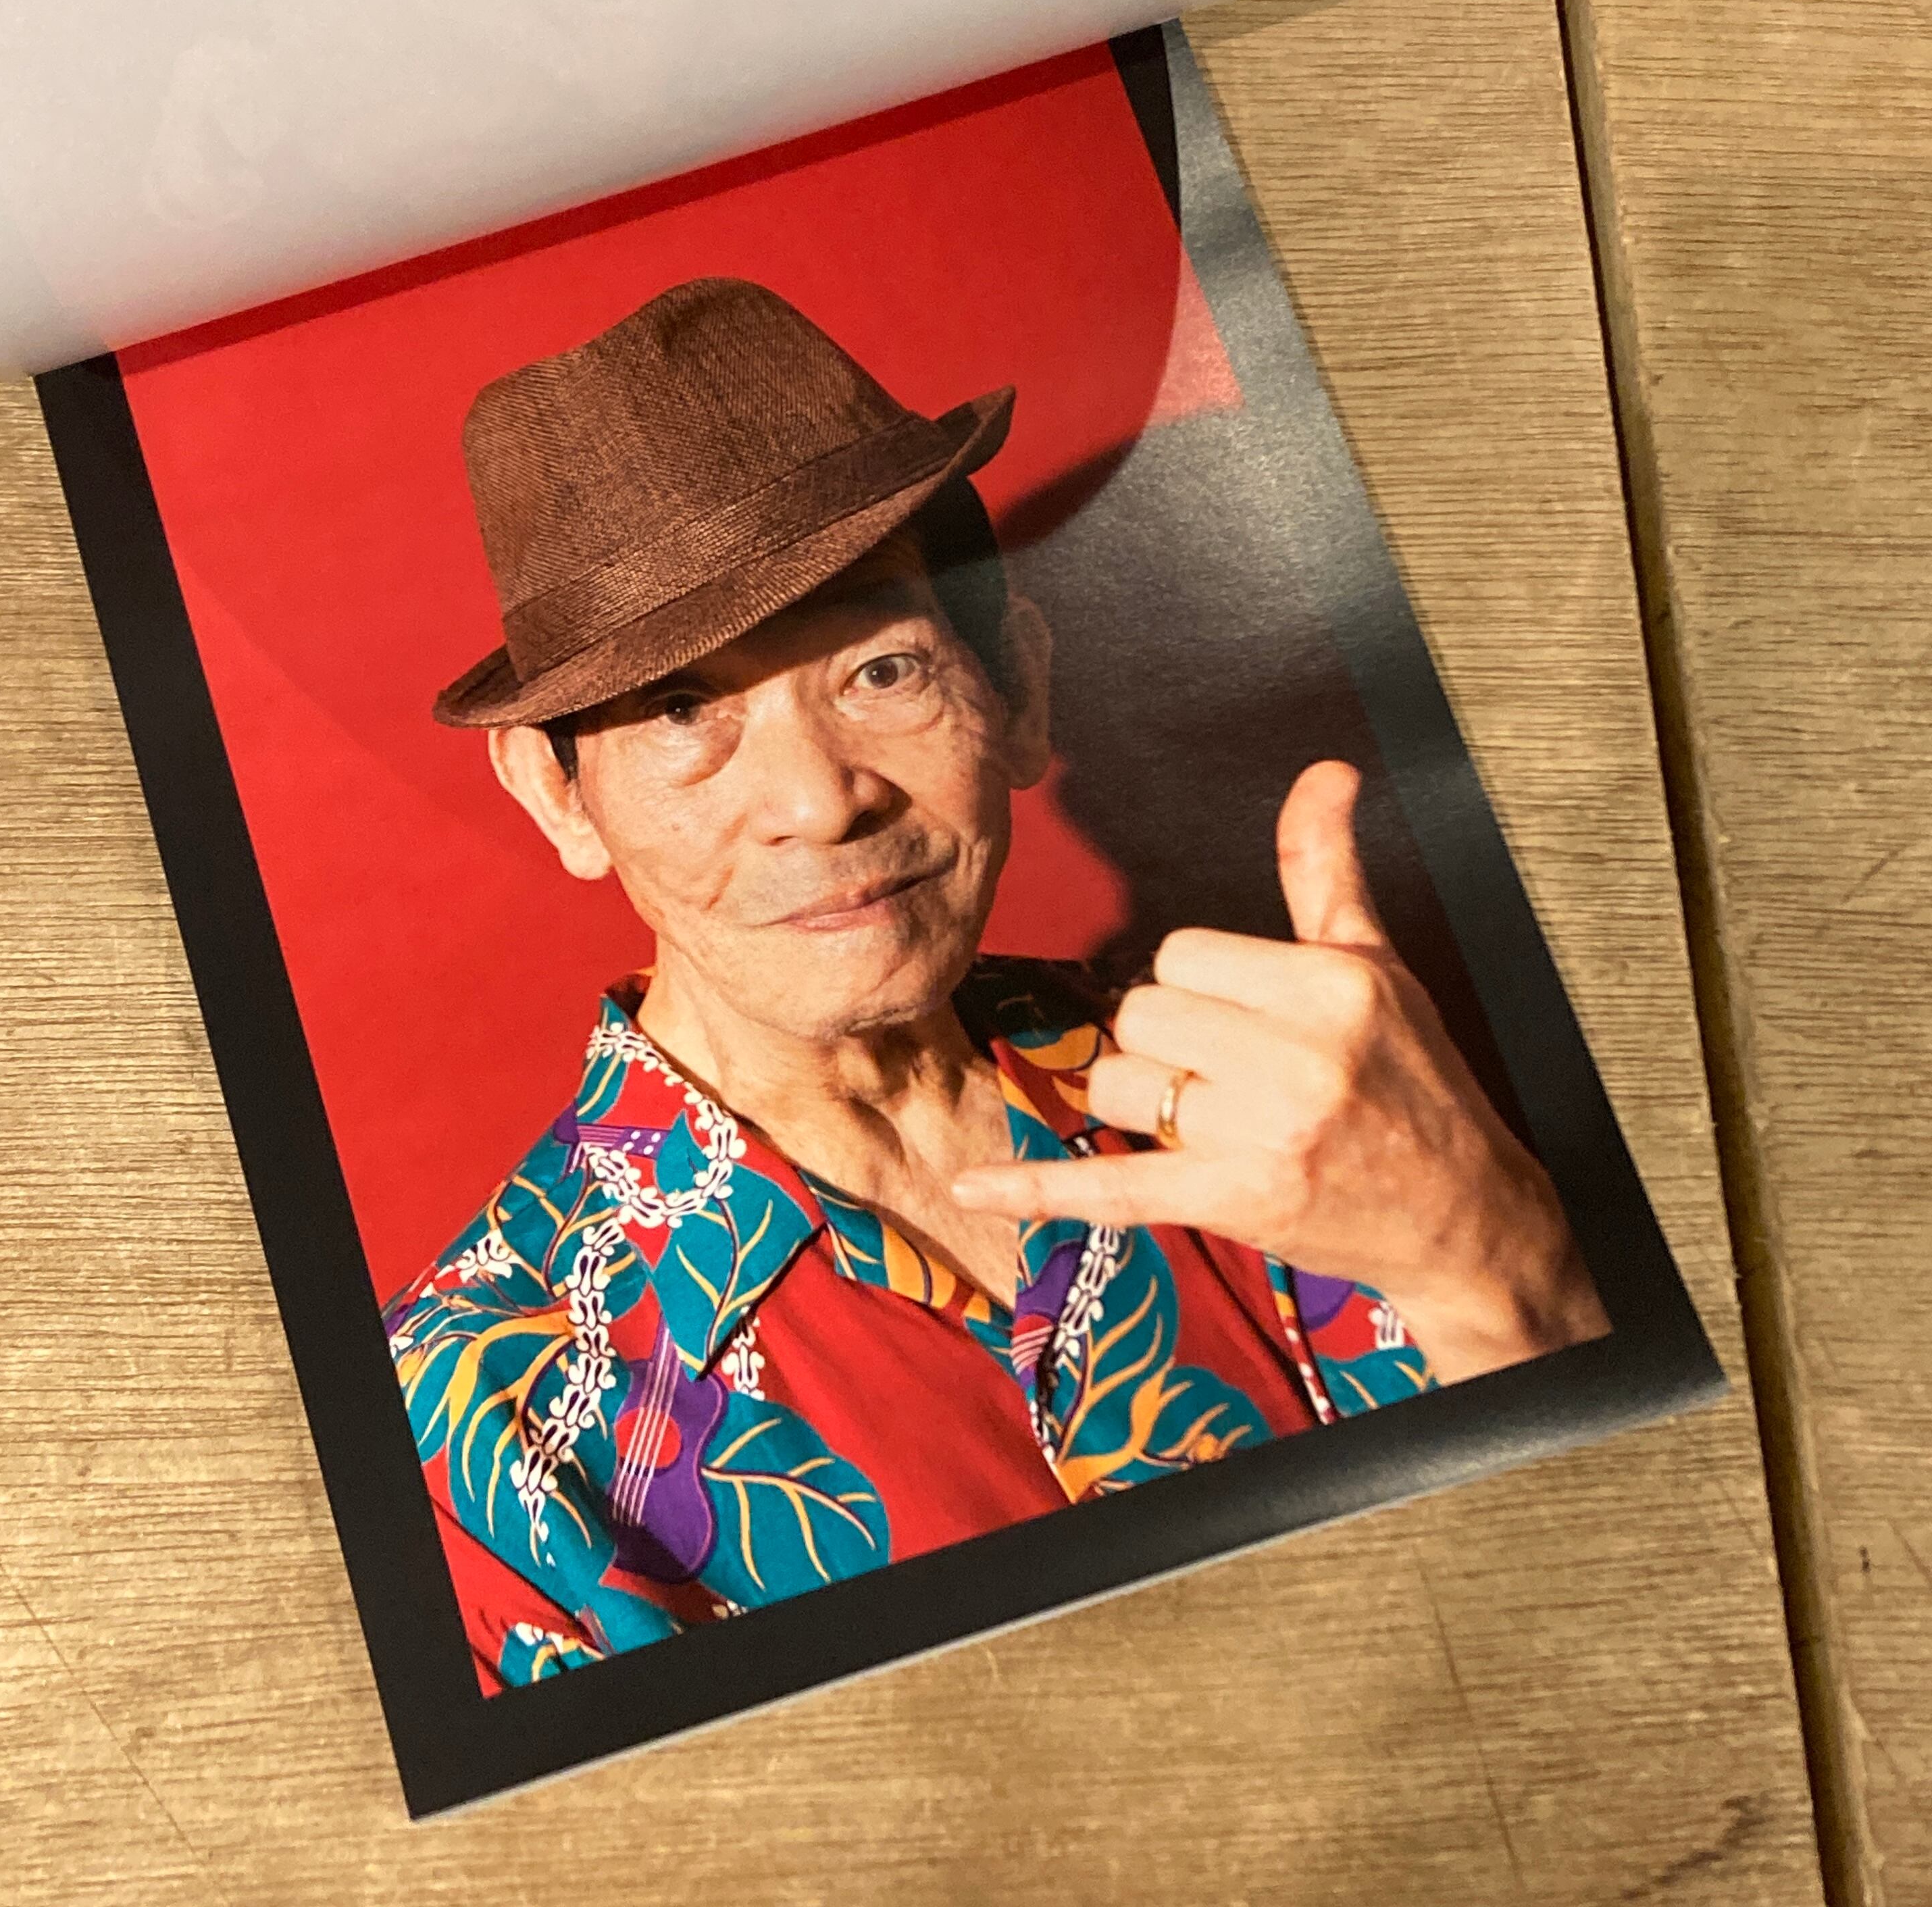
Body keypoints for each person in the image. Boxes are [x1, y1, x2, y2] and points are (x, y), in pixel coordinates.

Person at [384, 276, 1608, 1691]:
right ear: (558, 796)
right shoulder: (465, 1430)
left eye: (882, 670)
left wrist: (1498, 1264)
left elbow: (1598, 1618)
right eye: (683, 710)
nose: (820, 800)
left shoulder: (1283, 1097)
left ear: (1016, 693)